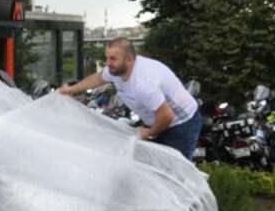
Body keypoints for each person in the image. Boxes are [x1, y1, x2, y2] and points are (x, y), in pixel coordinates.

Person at [58, 38, 201, 159]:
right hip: (158, 122)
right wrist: (70, 90)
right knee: (155, 168)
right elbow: (98, 78)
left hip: (181, 124)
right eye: (107, 57)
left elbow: (166, 116)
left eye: (113, 58)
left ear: (130, 59)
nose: (108, 63)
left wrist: (147, 133)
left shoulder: (143, 83)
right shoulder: (116, 70)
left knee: (175, 173)